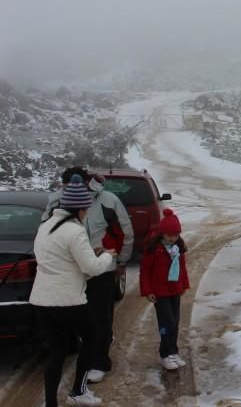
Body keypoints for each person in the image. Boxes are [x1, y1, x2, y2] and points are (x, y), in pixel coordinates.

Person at [29, 175, 117, 407]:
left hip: (41, 300)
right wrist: (108, 255)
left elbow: (58, 261)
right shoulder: (74, 231)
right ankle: (78, 391)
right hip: (68, 301)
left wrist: (91, 255)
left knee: (57, 351)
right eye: (86, 209)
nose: (87, 213)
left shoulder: (45, 226)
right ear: (78, 209)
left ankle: (51, 403)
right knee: (92, 337)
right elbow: (92, 268)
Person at [83, 174, 133, 383]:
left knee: (101, 315)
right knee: (81, 315)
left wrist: (121, 261)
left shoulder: (109, 201)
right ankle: (87, 351)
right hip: (76, 269)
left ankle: (99, 361)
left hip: (103, 267)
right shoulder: (61, 200)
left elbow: (125, 232)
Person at [140, 209, 190, 371]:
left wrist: (184, 284)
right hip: (160, 292)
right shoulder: (154, 248)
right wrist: (148, 291)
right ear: (162, 233)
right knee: (166, 322)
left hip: (174, 289)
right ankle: (165, 353)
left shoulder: (178, 247)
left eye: (175, 236)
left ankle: (173, 351)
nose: (172, 239)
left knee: (175, 322)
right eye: (169, 236)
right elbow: (145, 271)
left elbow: (182, 267)